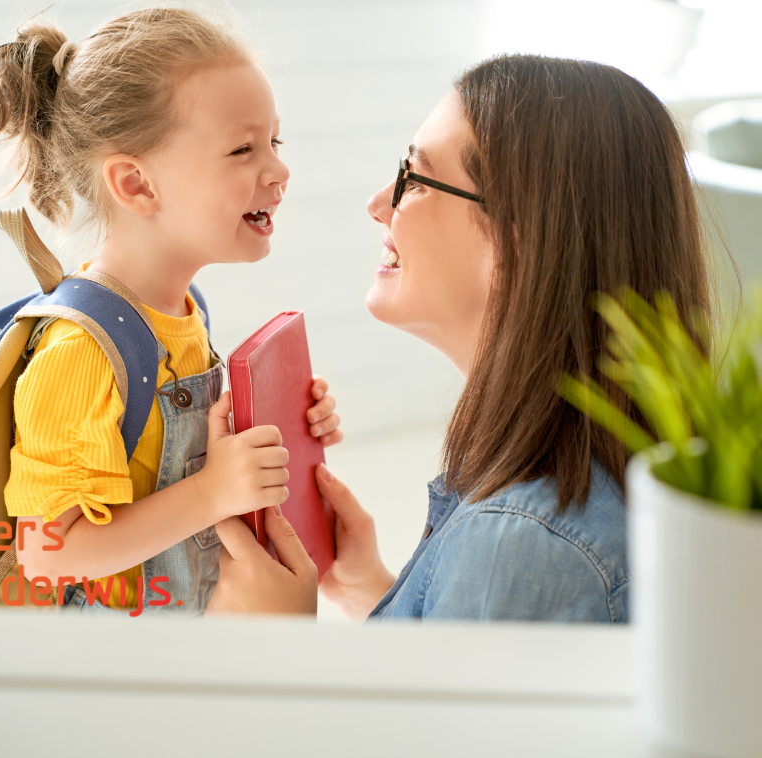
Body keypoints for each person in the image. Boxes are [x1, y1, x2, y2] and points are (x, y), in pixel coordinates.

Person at [205, 54, 715, 622]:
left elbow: (421, 715)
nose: (378, 206)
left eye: (414, 180)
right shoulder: (557, 499)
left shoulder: (520, 545)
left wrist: (274, 635)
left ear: (517, 244)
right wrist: (365, 586)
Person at [0, 8, 343, 615]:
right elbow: (48, 552)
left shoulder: (184, 313)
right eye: (243, 148)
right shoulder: (80, 352)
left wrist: (278, 426)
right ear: (136, 185)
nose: (279, 169)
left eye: (274, 141)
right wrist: (212, 491)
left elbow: (156, 462)